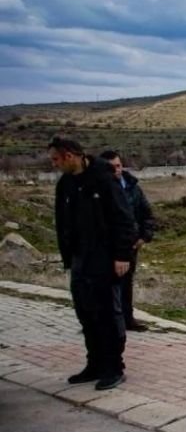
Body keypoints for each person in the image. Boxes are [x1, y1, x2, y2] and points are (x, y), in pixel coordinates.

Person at [48, 137, 136, 391]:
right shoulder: (65, 185)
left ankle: (113, 367)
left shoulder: (103, 180)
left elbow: (123, 219)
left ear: (70, 156)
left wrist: (122, 255)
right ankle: (94, 364)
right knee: (85, 313)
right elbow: (62, 221)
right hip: (79, 258)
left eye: (56, 159)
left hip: (105, 257)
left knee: (107, 313)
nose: (54, 164)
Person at [101, 150, 156, 331]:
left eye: (118, 166)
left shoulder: (132, 187)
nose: (116, 170)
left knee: (126, 283)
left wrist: (144, 237)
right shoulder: (98, 189)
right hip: (105, 246)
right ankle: (105, 321)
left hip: (130, 244)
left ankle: (127, 319)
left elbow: (146, 214)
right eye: (111, 167)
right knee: (105, 284)